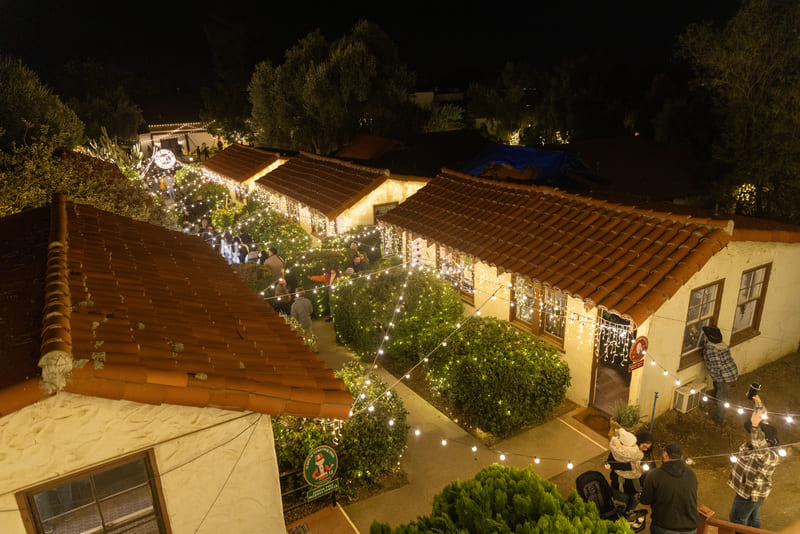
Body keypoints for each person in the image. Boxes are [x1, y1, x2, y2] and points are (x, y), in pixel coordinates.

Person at [729, 394, 781, 529]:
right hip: (753, 493)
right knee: (753, 518)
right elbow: (761, 417)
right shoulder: (758, 447)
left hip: (749, 494)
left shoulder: (767, 455)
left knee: (737, 519)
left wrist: (755, 426)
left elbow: (759, 442)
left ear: (766, 442)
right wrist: (757, 402)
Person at [640, 441, 698, 534]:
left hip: (665, 526)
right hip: (690, 527)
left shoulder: (654, 475)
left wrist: (639, 495)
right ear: (681, 457)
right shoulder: (691, 474)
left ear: (665, 455)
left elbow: (645, 500)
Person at [607, 428, 653, 516]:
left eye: (648, 448)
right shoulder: (621, 451)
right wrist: (629, 466)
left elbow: (650, 469)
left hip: (635, 492)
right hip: (620, 490)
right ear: (638, 442)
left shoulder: (644, 454)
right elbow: (610, 463)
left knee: (630, 512)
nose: (646, 450)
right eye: (644, 446)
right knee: (618, 513)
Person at [702, 325, 738, 426]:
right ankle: (719, 400)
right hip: (731, 372)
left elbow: (716, 367)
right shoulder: (722, 345)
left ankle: (719, 420)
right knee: (721, 393)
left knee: (721, 398)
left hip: (723, 377)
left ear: (708, 338)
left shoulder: (711, 349)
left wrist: (717, 380)